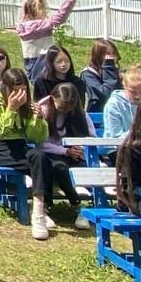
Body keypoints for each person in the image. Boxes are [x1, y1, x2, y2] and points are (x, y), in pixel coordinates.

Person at [0, 69, 50, 241]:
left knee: (40, 158)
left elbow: (37, 137)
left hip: (20, 145)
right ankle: (42, 210)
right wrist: (11, 109)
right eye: (15, 90)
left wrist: (38, 119)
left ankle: (38, 210)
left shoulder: (27, 105)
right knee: (45, 167)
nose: (19, 95)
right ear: (6, 88)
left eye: (23, 90)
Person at [34, 78, 91, 234]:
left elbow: (90, 136)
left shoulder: (79, 113)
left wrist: (79, 150)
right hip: (51, 154)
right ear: (53, 98)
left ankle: (84, 207)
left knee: (84, 169)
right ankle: (77, 204)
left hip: (75, 155)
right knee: (60, 169)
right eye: (61, 106)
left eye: (69, 107)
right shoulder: (43, 111)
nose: (65, 110)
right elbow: (41, 143)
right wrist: (64, 151)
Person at [15, 0, 79, 82]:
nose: (46, 10)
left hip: (31, 66)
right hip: (44, 63)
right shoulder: (42, 25)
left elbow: (26, 9)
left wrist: (39, 1)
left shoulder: (22, 26)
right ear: (35, 11)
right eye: (42, 8)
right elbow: (61, 15)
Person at [101, 64, 141, 140]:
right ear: (124, 86)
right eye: (133, 92)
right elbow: (115, 137)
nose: (137, 96)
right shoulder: (114, 104)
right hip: (116, 147)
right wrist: (138, 131)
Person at [79, 40, 122, 114]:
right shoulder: (88, 74)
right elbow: (106, 94)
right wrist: (108, 67)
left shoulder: (117, 72)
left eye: (114, 54)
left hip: (119, 113)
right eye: (107, 54)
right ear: (98, 56)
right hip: (98, 114)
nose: (112, 57)